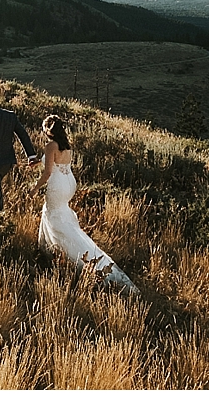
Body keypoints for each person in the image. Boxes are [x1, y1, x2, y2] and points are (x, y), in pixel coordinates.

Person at [30, 115, 138, 293]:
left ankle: (64, 253)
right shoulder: (66, 145)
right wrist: (39, 161)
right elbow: (57, 163)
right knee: (60, 214)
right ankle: (56, 250)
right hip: (69, 183)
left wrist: (35, 189)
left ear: (48, 129)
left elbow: (48, 173)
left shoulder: (50, 145)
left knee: (54, 215)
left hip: (57, 185)